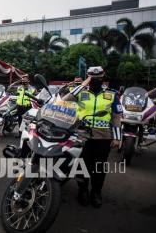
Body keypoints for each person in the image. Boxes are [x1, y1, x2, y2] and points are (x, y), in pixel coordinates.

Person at [63, 66, 122, 208]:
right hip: (82, 136)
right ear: (88, 77)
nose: (95, 80)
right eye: (92, 77)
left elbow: (116, 117)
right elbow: (65, 99)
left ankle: (96, 192)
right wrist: (83, 84)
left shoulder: (112, 94)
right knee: (82, 165)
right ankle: (82, 190)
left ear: (103, 78)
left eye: (98, 77)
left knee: (99, 167)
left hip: (103, 137)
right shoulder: (80, 92)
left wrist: (117, 137)